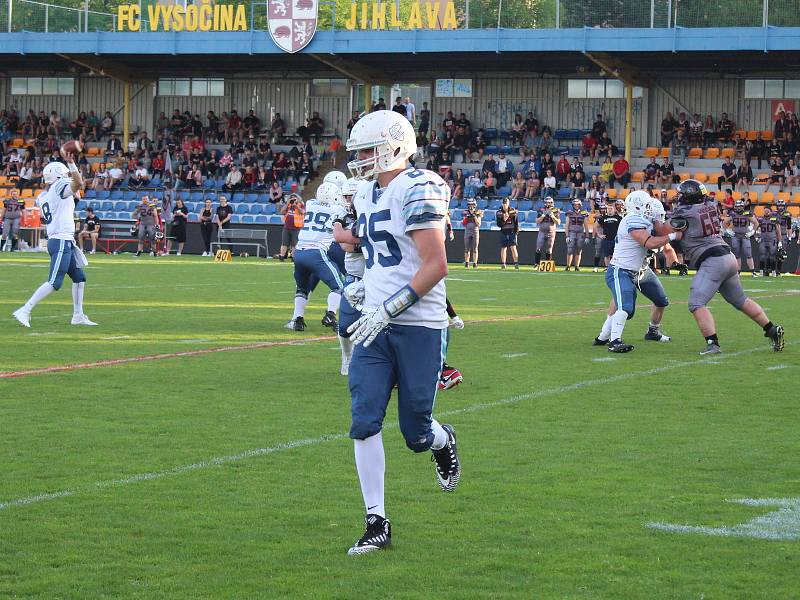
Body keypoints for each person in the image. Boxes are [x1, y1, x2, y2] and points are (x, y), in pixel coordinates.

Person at [343, 109, 460, 555]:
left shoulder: (419, 185)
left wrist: (389, 305)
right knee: (364, 417)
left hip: (418, 325)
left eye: (370, 149)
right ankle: (376, 521)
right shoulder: (368, 192)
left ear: (395, 145)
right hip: (374, 325)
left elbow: (436, 264)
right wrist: (363, 286)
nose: (363, 158)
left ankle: (442, 439)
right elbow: (374, 252)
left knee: (415, 433)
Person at [668, 179, 784, 354]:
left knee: (696, 303)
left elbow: (665, 228)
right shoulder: (710, 206)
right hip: (727, 257)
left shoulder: (685, 212)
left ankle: (712, 344)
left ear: (689, 197)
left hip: (712, 260)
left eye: (682, 194)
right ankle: (772, 329)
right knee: (741, 300)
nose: (679, 197)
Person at [13, 152, 96, 328]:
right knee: (55, 282)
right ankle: (25, 310)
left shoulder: (43, 195)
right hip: (60, 241)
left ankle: (78, 315)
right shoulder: (60, 185)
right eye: (65, 173)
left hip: (62, 240)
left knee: (79, 277)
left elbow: (77, 193)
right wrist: (72, 164)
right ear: (59, 174)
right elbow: (78, 184)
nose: (67, 175)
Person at [594, 192, 678, 353]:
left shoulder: (646, 222)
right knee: (625, 307)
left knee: (661, 300)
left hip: (641, 271)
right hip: (621, 269)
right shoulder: (633, 220)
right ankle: (614, 340)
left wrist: (676, 262)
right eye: (649, 210)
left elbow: (665, 244)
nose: (654, 217)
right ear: (638, 207)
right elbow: (650, 242)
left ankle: (603, 337)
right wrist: (673, 235)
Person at [285, 182, 344, 332]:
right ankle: (330, 314)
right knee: (339, 287)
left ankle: (297, 320)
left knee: (302, 288)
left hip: (299, 253)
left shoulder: (310, 204)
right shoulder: (338, 209)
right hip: (316, 253)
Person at [332, 178, 363, 376]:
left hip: (378, 278)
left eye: (352, 196)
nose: (349, 200)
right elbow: (346, 245)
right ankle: (347, 356)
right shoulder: (343, 217)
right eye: (346, 196)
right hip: (354, 277)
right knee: (344, 327)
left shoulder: (373, 214)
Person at [722, 199, 759, 276]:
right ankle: (738, 272)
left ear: (743, 206)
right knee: (737, 255)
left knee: (748, 254)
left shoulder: (747, 213)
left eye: (740, 206)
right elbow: (724, 222)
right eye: (737, 207)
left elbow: (756, 223)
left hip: (745, 236)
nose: (739, 208)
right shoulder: (733, 214)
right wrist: (727, 231)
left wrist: (752, 232)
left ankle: (753, 271)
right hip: (735, 236)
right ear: (735, 207)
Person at [275, 193, 305, 261]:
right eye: (292, 198)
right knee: (284, 243)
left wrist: (296, 206)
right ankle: (281, 257)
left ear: (298, 199)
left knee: (294, 244)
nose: (293, 200)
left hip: (296, 227)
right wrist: (287, 203)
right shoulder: (288, 205)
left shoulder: (301, 204)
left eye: (294, 198)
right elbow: (282, 212)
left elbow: (303, 212)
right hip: (287, 227)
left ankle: (293, 257)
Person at [565, 199, 590, 271]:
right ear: (573, 205)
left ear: (580, 205)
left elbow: (586, 225)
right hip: (571, 232)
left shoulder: (584, 213)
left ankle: (577, 266)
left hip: (580, 233)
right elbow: (567, 225)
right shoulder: (569, 213)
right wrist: (567, 235)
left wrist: (587, 236)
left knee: (578, 250)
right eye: (575, 205)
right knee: (570, 250)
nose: (576, 206)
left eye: (578, 204)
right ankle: (568, 265)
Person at [534, 196, 560, 265]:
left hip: (551, 232)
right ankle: (536, 264)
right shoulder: (541, 210)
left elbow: (558, 222)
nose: (548, 204)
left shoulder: (555, 210)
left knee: (549, 249)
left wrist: (553, 216)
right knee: (538, 248)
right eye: (546, 203)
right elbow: (537, 221)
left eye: (549, 203)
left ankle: (547, 264)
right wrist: (543, 215)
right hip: (542, 231)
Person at [496, 197, 519, 269]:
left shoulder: (512, 210)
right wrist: (504, 219)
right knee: (503, 247)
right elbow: (499, 224)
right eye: (504, 203)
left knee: (513, 247)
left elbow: (516, 221)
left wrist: (516, 230)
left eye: (506, 203)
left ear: (508, 203)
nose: (505, 205)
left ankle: (516, 263)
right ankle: (503, 263)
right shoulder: (499, 212)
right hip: (504, 231)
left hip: (512, 230)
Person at [462, 198, 482, 268]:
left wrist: (475, 217)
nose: (471, 206)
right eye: (469, 205)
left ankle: (475, 263)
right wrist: (467, 218)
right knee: (467, 248)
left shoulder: (478, 212)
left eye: (472, 205)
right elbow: (463, 224)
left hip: (475, 231)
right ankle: (467, 262)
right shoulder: (465, 212)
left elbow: (479, 224)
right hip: (467, 231)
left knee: (475, 247)